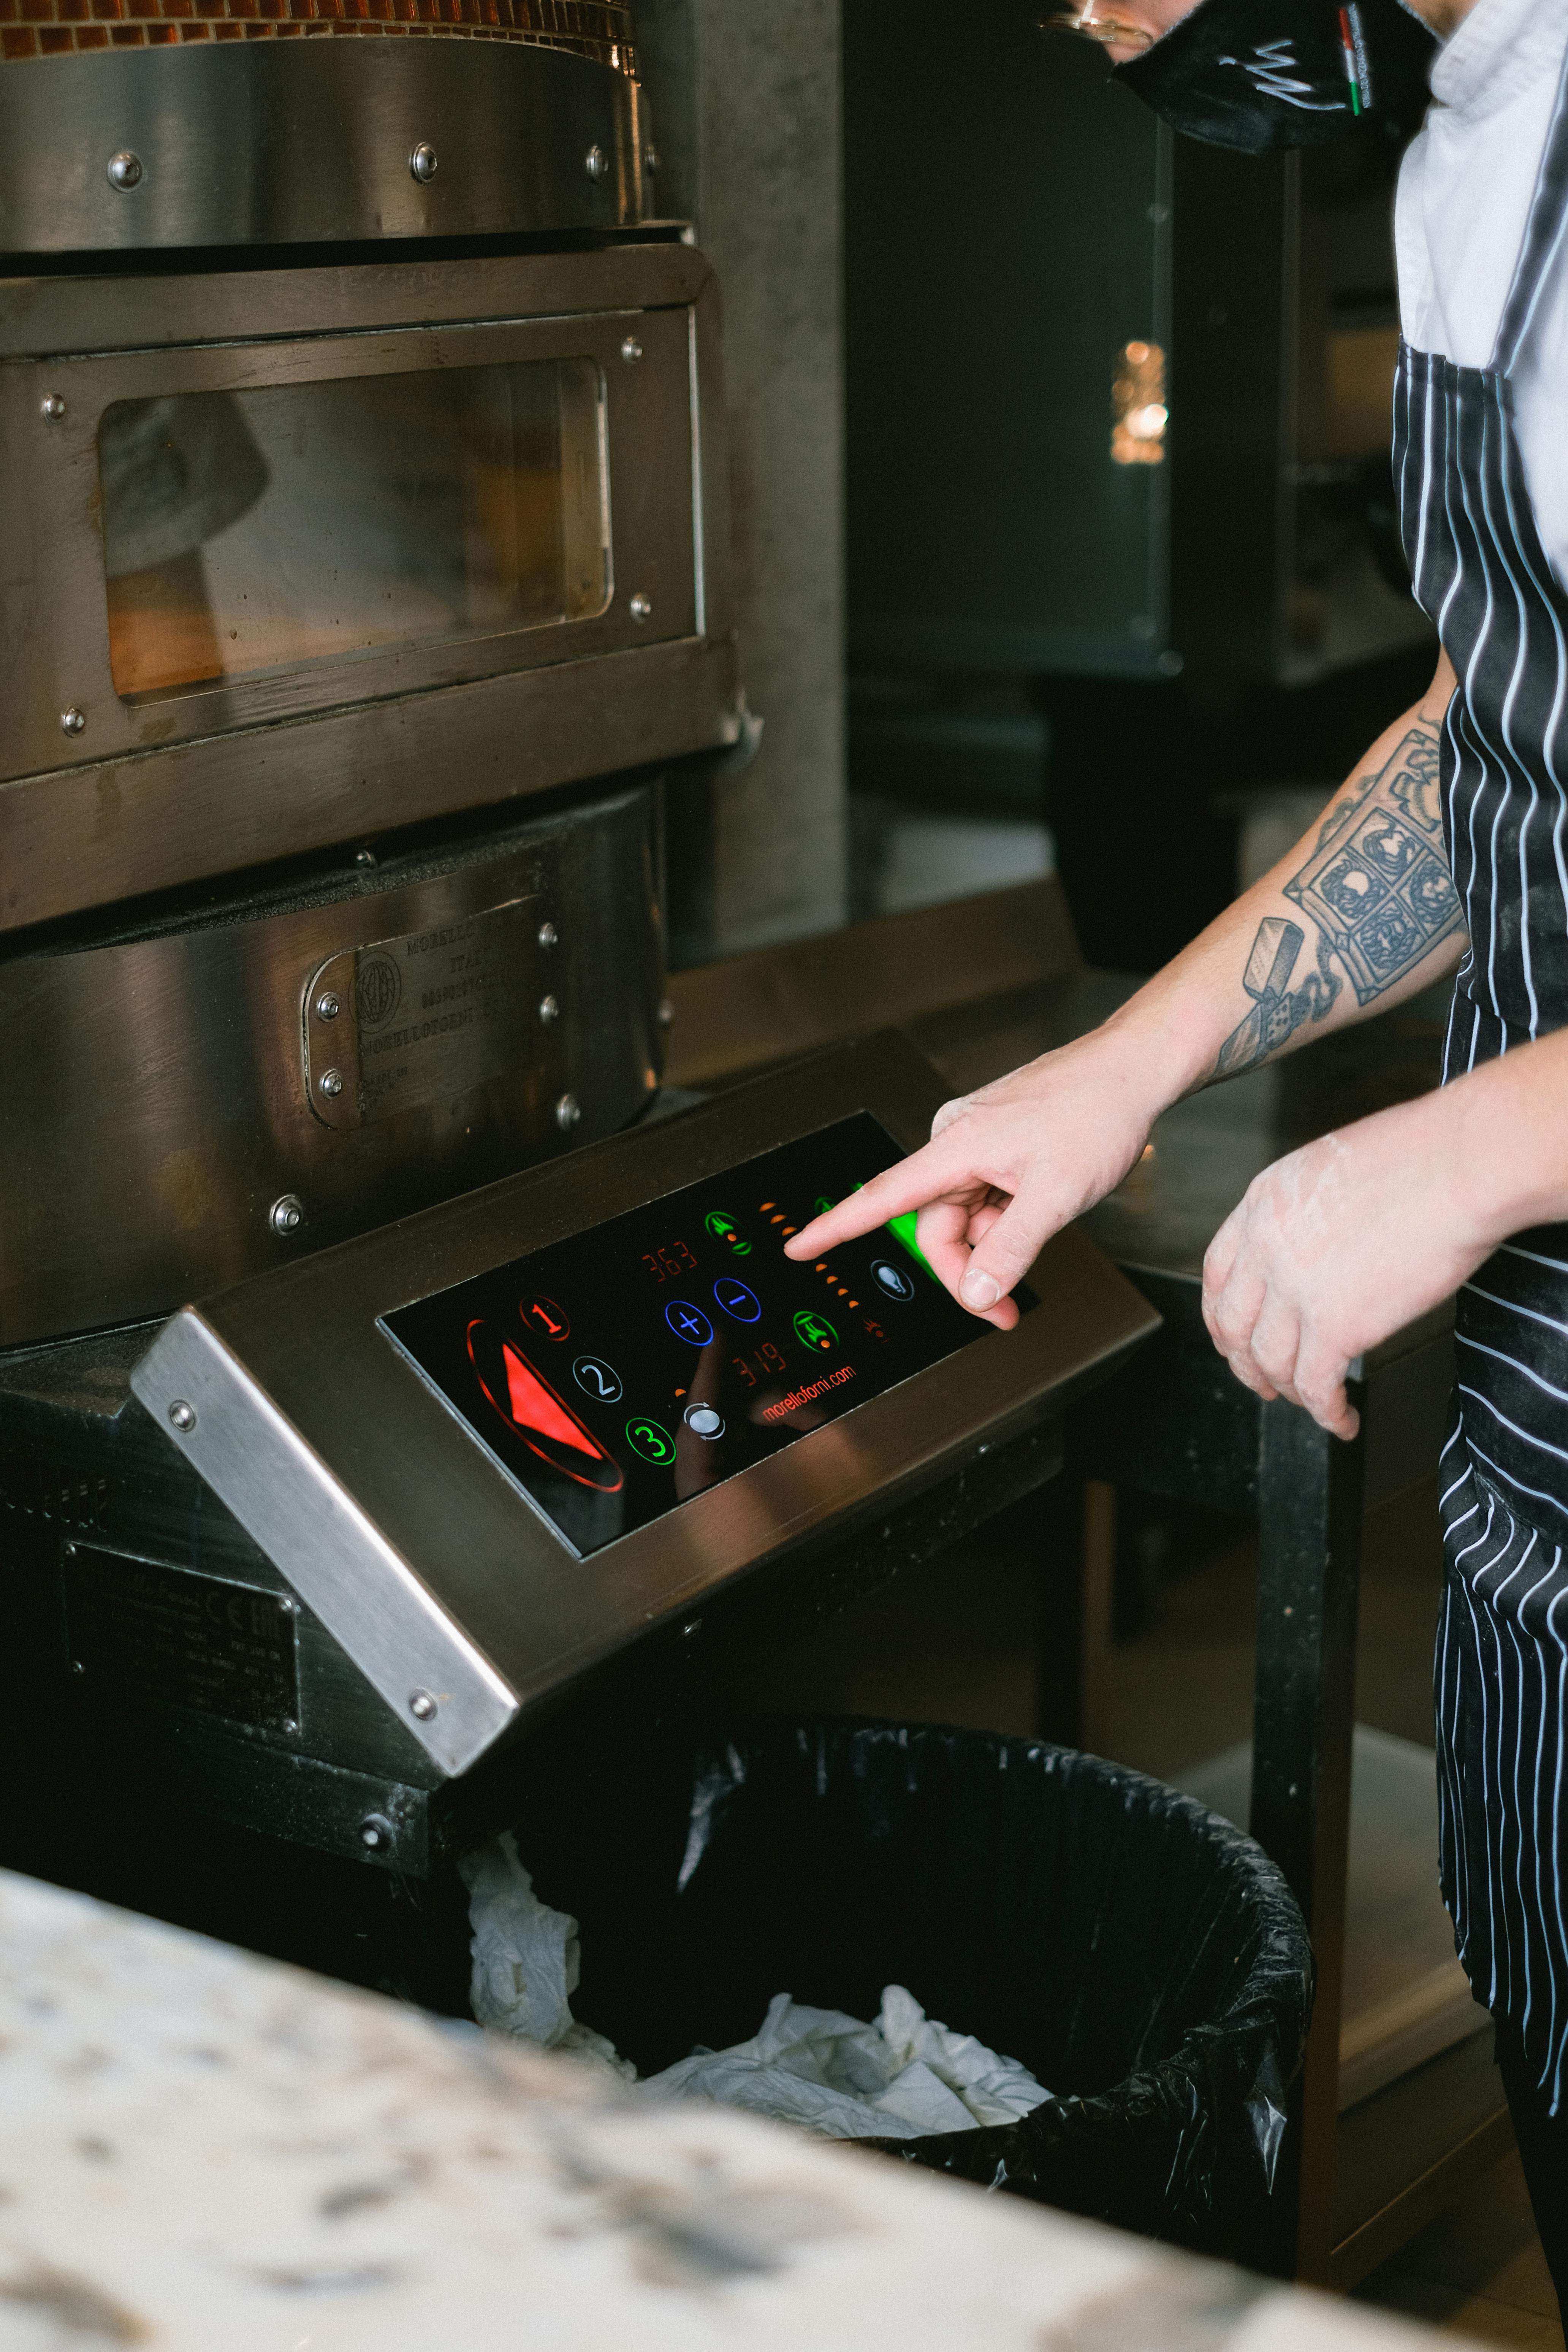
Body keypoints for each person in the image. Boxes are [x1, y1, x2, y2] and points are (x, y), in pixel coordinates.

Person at [788, 0, 1568, 2301]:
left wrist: (1479, 1143)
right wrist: (1123, 1066)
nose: (1088, 9)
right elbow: (1502, 714)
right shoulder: (1471, 151)